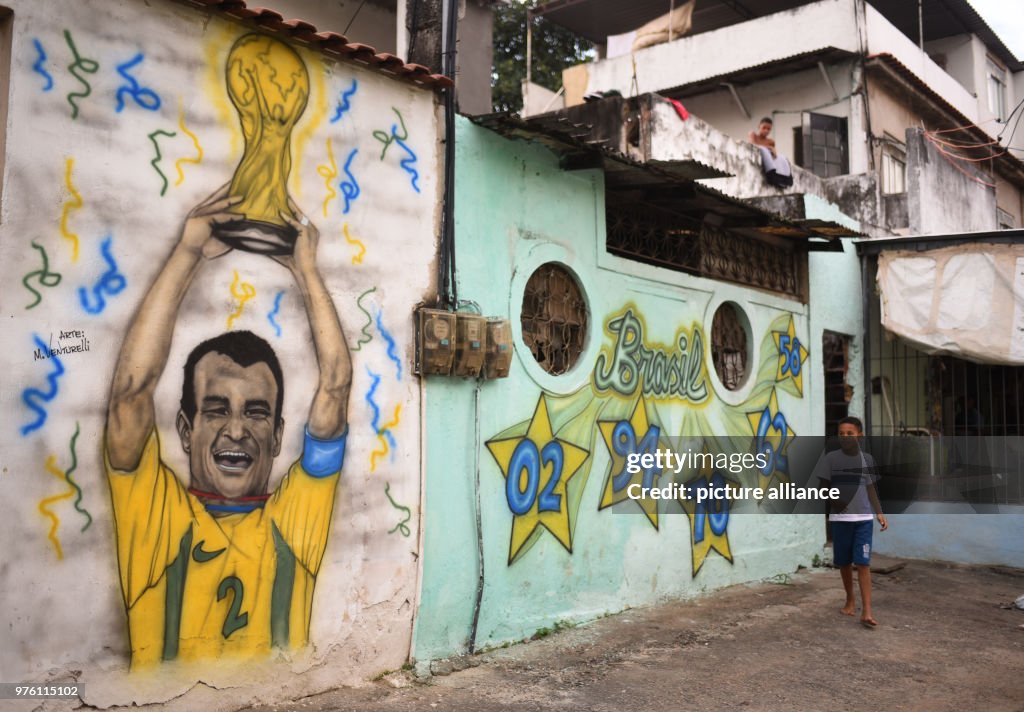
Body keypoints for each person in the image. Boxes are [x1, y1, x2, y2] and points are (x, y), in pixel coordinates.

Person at [104, 184, 353, 667]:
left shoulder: (293, 523)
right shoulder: (157, 520)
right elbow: (130, 393)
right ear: (184, 428)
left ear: (279, 435)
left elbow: (336, 386)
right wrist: (188, 253)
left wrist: (307, 272)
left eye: (256, 412)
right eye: (216, 409)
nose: (236, 430)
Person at [815, 416, 888, 628]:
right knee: (844, 563)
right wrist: (834, 500)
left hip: (863, 520)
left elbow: (871, 488)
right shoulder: (831, 459)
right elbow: (823, 487)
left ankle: (867, 610)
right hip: (840, 520)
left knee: (863, 564)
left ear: (859, 436)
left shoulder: (867, 460)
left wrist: (879, 512)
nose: (845, 437)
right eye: (842, 434)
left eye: (850, 433)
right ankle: (850, 599)